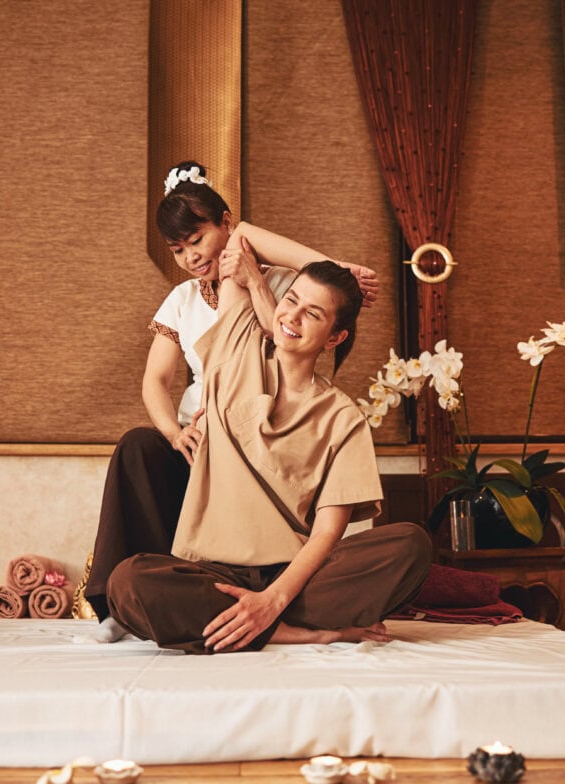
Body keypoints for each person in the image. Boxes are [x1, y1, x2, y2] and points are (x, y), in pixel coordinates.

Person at [84, 162, 380, 625]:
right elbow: (154, 380)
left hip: (257, 436)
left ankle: (246, 598)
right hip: (200, 439)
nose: (190, 256)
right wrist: (175, 432)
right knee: (138, 447)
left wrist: (335, 269)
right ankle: (115, 607)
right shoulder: (182, 300)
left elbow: (285, 337)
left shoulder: (282, 286)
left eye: (197, 239)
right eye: (177, 250)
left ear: (225, 224)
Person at [104, 261, 433, 653]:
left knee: (410, 544)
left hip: (295, 580)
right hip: (214, 574)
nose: (292, 316)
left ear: (335, 337)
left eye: (313, 314)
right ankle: (299, 633)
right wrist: (325, 269)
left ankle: (252, 619)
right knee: (128, 582)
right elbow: (237, 244)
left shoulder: (343, 417)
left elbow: (327, 534)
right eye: (291, 300)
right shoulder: (233, 353)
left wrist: (273, 599)